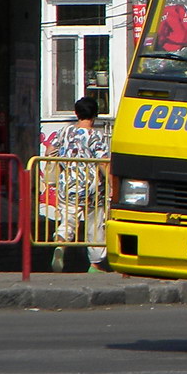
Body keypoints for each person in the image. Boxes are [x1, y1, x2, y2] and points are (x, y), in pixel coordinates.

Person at [51, 97, 110, 273]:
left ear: (76, 113)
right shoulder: (96, 136)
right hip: (91, 186)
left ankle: (60, 245)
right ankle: (95, 264)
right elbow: (103, 163)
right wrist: (111, 185)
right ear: (95, 115)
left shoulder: (65, 132)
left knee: (68, 219)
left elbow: (49, 151)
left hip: (67, 183)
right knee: (95, 223)